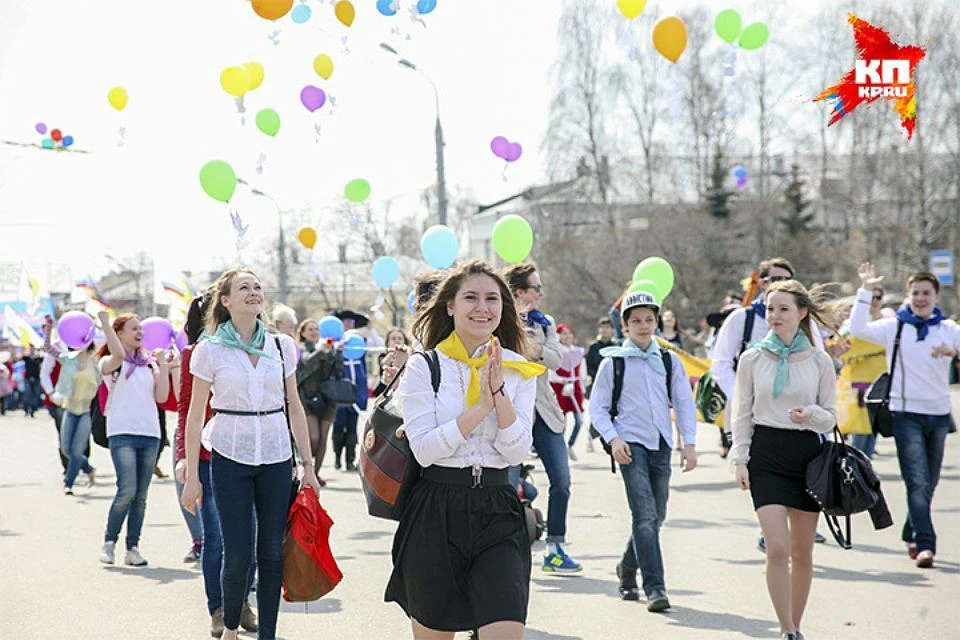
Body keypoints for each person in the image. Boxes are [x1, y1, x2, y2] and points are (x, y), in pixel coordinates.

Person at [385, 260, 543, 640]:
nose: (482, 307)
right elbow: (423, 450)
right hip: (435, 510)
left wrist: (498, 394)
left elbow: (516, 451)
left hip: (498, 508)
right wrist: (479, 411)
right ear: (450, 306)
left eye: (492, 299)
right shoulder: (426, 366)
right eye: (470, 297)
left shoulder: (519, 369)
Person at [181, 268, 321, 640]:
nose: (254, 292)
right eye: (244, 287)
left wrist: (309, 467)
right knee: (239, 553)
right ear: (225, 301)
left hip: (276, 455)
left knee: (272, 552)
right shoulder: (209, 349)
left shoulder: (281, 346)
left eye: (258, 286)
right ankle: (229, 627)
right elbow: (195, 416)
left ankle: (268, 634)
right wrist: (192, 476)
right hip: (229, 455)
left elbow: (295, 407)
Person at [730, 280, 837, 640]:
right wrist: (739, 458)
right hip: (766, 455)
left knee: (801, 551)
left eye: (783, 309)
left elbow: (831, 417)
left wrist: (810, 414)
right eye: (770, 309)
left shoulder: (820, 361)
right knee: (776, 547)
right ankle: (786, 628)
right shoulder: (752, 358)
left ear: (802, 313)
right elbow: (741, 413)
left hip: (808, 458)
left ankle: (798, 624)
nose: (774, 316)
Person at [589, 289, 699, 612]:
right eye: (636, 320)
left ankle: (626, 567)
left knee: (657, 514)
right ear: (625, 325)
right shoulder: (614, 362)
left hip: (661, 444)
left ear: (657, 322)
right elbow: (597, 409)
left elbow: (683, 402)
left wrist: (689, 443)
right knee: (645, 514)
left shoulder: (668, 359)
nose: (643, 325)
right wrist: (613, 439)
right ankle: (655, 587)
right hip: (630, 445)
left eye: (649, 320)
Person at [851, 265, 960, 569]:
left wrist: (953, 352)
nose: (921, 298)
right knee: (917, 481)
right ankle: (924, 544)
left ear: (937, 296)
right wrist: (865, 291)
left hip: (938, 415)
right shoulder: (894, 327)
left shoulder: (947, 329)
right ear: (909, 296)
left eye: (926, 293)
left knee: (930, 482)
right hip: (904, 414)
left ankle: (910, 530)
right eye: (915, 293)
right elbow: (857, 329)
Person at [175, 294, 259, 637]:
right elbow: (186, 408)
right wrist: (184, 455)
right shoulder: (195, 353)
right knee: (217, 538)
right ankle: (219, 608)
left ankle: (240, 602)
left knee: (250, 536)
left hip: (248, 456)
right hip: (209, 457)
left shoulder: (252, 346)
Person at [501, 262, 582, 573]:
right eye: (536, 287)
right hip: (510, 414)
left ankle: (555, 547)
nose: (541, 292)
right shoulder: (499, 321)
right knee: (506, 488)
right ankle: (506, 550)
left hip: (545, 412)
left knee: (561, 480)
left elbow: (555, 360)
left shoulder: (545, 322)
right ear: (519, 292)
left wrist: (530, 345)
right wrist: (529, 347)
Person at [97, 311, 172, 567]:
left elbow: (162, 398)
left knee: (140, 495)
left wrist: (163, 366)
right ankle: (109, 543)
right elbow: (117, 354)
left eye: (141, 329)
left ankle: (133, 548)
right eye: (133, 329)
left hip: (149, 434)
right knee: (126, 490)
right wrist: (106, 322)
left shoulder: (148, 364)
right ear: (119, 334)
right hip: (122, 433)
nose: (140, 333)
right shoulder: (112, 363)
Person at [50, 340, 101, 495]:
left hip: (86, 411)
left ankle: (69, 483)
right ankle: (88, 468)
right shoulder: (68, 359)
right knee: (66, 449)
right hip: (70, 409)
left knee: (77, 450)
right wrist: (47, 333)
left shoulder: (96, 361)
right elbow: (48, 349)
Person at [296, 318, 342, 483]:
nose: (314, 332)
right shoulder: (300, 349)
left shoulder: (326, 347)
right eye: (310, 329)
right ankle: (305, 466)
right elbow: (306, 365)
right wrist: (320, 352)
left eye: (316, 329)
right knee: (313, 437)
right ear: (302, 333)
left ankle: (315, 473)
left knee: (323, 437)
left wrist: (337, 353)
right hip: (307, 398)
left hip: (327, 399)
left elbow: (337, 370)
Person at [848, 285, 887, 458]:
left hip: (880, 382)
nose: (874, 302)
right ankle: (856, 467)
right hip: (858, 383)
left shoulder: (888, 323)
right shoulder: (852, 323)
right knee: (860, 429)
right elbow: (840, 345)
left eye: (878, 298)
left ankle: (866, 468)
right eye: (871, 298)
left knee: (873, 429)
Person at [333, 328, 368, 472]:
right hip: (340, 400)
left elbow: (363, 379)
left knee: (352, 431)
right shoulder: (339, 357)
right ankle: (337, 457)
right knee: (339, 429)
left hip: (355, 399)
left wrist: (362, 399)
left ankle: (350, 460)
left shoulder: (360, 358)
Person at [549, 323, 586, 460]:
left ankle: (570, 444)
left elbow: (582, 372)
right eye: (564, 333)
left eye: (569, 333)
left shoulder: (578, 352)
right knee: (561, 421)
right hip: (560, 389)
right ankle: (560, 449)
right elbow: (551, 374)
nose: (567, 336)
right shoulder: (556, 351)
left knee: (579, 420)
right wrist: (562, 381)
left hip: (574, 388)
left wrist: (581, 387)